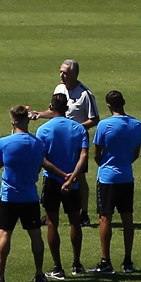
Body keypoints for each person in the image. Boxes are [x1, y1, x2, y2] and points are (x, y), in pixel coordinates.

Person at [0, 105, 72, 282]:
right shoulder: (38, 143)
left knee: (4, 234)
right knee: (35, 236)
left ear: (12, 121)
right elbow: (41, 163)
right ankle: (39, 274)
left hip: (9, 196)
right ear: (27, 120)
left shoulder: (4, 142)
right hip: (30, 196)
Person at [32, 60, 99, 227]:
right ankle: (49, 214)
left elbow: (94, 119)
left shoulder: (85, 94)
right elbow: (55, 111)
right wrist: (40, 114)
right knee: (51, 172)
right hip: (57, 138)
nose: (61, 75)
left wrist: (74, 129)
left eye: (65, 73)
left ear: (75, 74)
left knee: (80, 176)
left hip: (75, 141)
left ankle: (83, 213)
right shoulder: (59, 89)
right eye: (61, 71)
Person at [36, 93, 88, 278]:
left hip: (52, 181)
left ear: (51, 107)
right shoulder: (78, 129)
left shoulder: (43, 129)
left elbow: (42, 159)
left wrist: (61, 175)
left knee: (52, 224)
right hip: (73, 184)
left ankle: (58, 267)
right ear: (67, 108)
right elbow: (83, 156)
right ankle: (76, 263)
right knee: (75, 222)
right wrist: (72, 177)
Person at [92, 90, 141, 274]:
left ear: (108, 105)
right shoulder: (136, 124)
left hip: (107, 178)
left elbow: (97, 154)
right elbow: (135, 153)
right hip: (126, 176)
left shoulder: (104, 125)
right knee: (127, 217)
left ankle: (106, 261)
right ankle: (128, 261)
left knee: (105, 217)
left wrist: (105, 164)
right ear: (124, 102)